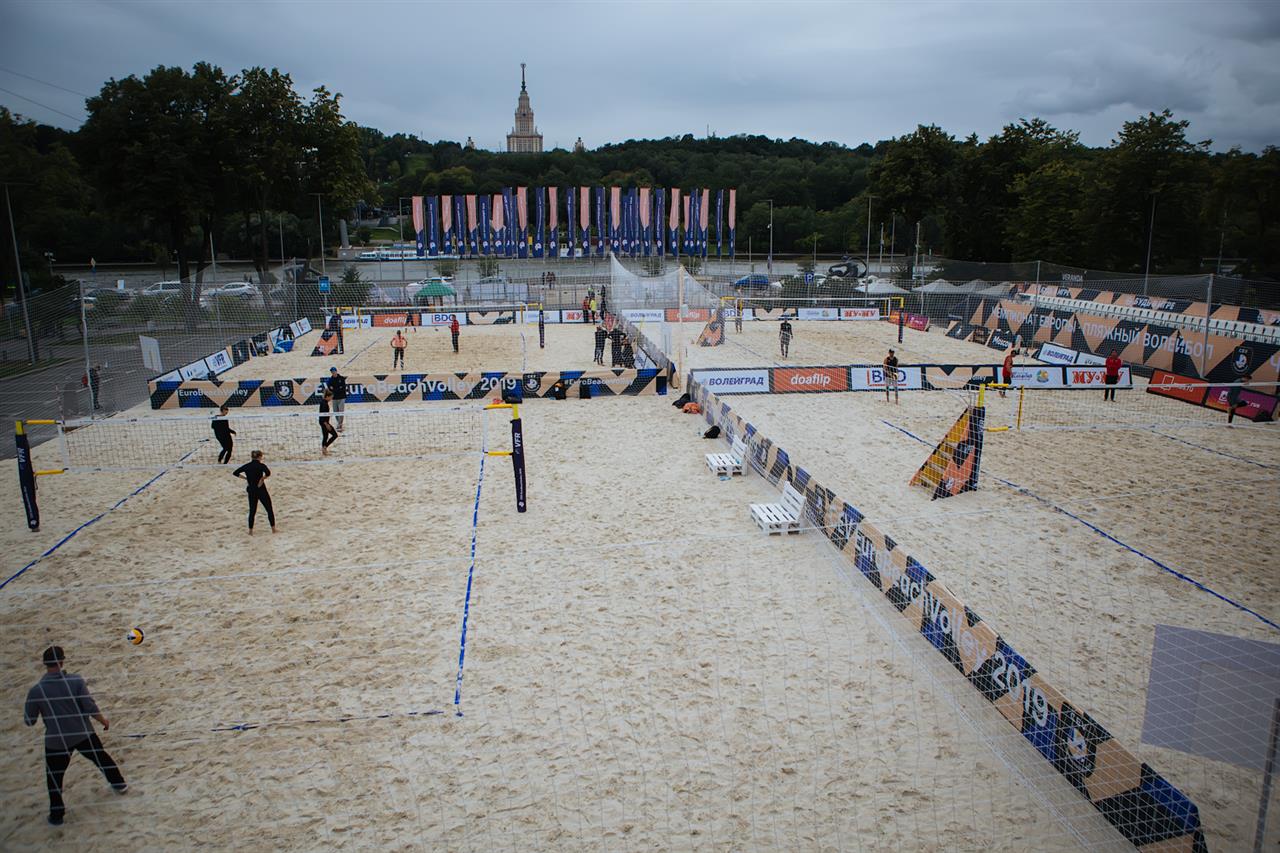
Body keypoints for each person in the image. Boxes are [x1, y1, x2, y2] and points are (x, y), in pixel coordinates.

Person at [24, 646, 127, 825]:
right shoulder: (75, 680)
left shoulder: (36, 691)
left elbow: (29, 720)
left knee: (54, 778)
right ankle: (119, 784)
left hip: (57, 741)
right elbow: (89, 706)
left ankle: (56, 816)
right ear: (62, 661)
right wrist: (103, 721)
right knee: (101, 758)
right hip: (82, 733)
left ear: (45, 664)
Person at [232, 450, 276, 534]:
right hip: (261, 489)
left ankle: (250, 531)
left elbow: (235, 473)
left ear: (252, 457)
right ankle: (273, 529)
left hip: (251, 489)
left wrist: (246, 478)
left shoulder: (247, 466)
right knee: (269, 509)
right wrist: (262, 479)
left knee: (252, 511)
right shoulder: (261, 465)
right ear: (260, 457)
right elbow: (268, 473)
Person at [319, 389, 339, 454]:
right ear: (327, 396)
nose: (331, 399)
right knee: (335, 435)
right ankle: (324, 447)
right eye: (331, 397)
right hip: (324, 422)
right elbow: (323, 415)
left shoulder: (323, 401)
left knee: (325, 436)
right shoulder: (324, 404)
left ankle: (324, 449)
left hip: (322, 422)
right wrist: (326, 424)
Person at [328, 367, 348, 431]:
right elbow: (330, 388)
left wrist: (335, 389)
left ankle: (340, 425)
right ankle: (339, 423)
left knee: (341, 411)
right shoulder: (330, 380)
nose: (333, 372)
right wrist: (338, 388)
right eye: (332, 372)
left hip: (342, 397)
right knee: (335, 412)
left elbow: (343, 388)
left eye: (334, 371)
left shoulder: (341, 378)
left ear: (336, 371)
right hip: (334, 398)